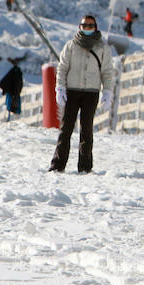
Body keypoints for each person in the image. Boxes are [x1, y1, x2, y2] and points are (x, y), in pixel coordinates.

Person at [49, 15, 117, 173]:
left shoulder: (102, 48)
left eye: (90, 25)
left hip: (91, 93)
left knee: (86, 130)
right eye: (84, 25)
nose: (87, 28)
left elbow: (107, 71)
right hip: (72, 91)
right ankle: (57, 165)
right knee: (66, 129)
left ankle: (85, 167)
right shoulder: (71, 45)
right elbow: (62, 67)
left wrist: (107, 90)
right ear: (79, 26)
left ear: (95, 27)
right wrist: (60, 87)